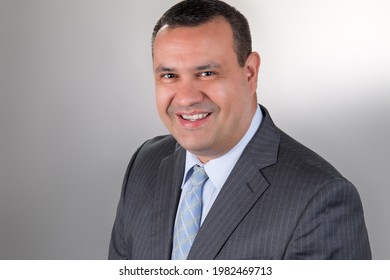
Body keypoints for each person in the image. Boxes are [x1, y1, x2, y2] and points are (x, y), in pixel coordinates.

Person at [109, 0, 371, 260]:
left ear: (250, 73)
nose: (186, 98)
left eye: (207, 73)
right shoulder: (145, 163)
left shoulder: (320, 198)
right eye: (169, 76)